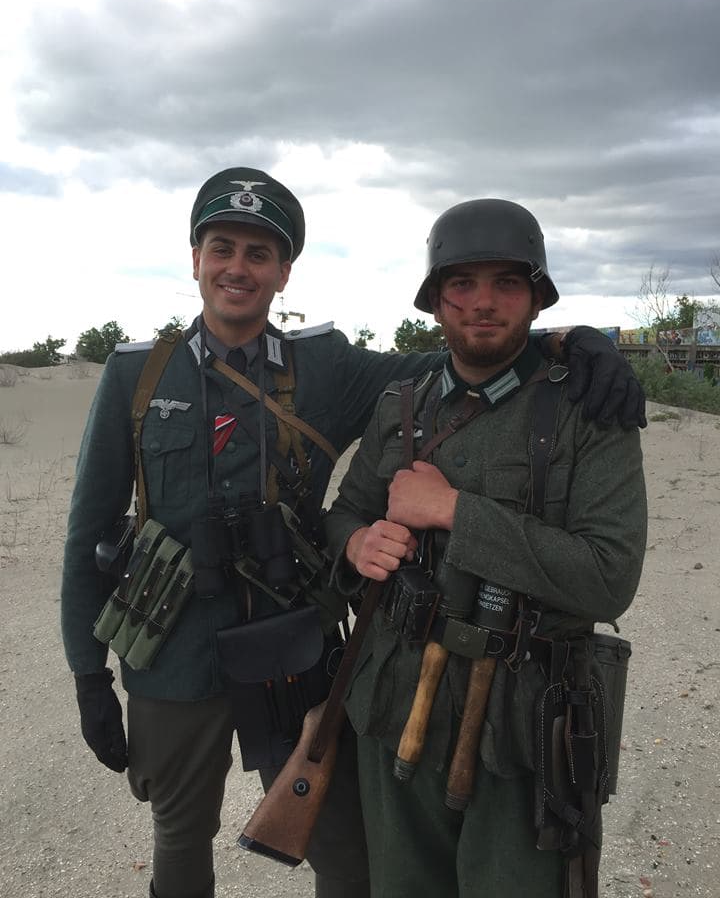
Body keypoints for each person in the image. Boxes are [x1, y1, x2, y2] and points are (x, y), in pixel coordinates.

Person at [61, 170, 646, 898]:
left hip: (291, 647)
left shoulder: (326, 367)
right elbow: (88, 530)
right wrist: (88, 673)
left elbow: (464, 356)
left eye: (258, 254)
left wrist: (573, 341)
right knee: (180, 837)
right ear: (195, 259)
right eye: (222, 249)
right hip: (171, 649)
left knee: (343, 850)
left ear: (284, 272)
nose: (238, 268)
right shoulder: (136, 376)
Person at [324, 198, 647, 898]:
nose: (483, 302)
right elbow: (345, 512)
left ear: (536, 298)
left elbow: (609, 576)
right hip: (394, 703)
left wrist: (453, 512)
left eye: (506, 283)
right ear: (436, 300)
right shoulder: (401, 405)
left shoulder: (590, 410)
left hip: (522, 727)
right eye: (462, 284)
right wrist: (356, 544)